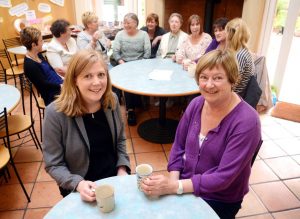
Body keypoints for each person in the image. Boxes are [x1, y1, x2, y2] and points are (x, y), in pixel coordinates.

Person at [141, 50, 261, 219]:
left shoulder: (247, 121)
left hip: (220, 197)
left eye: (217, 78)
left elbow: (223, 177)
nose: (209, 85)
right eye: (204, 77)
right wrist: (173, 183)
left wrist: (174, 188)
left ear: (232, 80)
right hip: (186, 183)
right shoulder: (196, 104)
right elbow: (178, 146)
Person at [42, 50, 131, 200]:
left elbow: (120, 140)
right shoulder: (55, 113)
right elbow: (53, 164)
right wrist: (78, 184)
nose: (97, 82)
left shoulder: (112, 100)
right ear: (75, 80)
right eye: (88, 76)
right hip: (79, 187)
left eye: (101, 75)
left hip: (113, 179)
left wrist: (122, 168)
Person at [113, 13, 151, 126]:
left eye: (128, 22)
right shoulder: (120, 35)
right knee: (129, 80)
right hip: (124, 63)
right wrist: (122, 62)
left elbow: (147, 52)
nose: (126, 25)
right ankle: (130, 110)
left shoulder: (144, 34)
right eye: (124, 22)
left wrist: (141, 64)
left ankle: (140, 102)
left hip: (141, 63)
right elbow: (116, 52)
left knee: (140, 77)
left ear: (135, 23)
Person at [20, 26, 62, 106]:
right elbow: (44, 85)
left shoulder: (38, 55)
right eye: (41, 40)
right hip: (52, 95)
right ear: (33, 45)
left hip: (58, 85)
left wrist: (62, 79)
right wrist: (61, 86)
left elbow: (50, 71)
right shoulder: (30, 65)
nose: (43, 42)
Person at [225, 18, 255, 97]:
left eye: (227, 31)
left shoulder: (240, 55)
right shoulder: (243, 51)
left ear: (231, 34)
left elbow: (234, 83)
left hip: (234, 96)